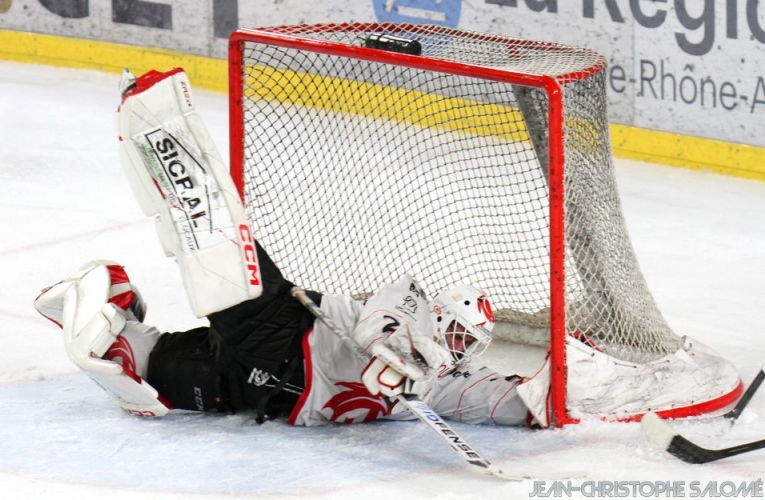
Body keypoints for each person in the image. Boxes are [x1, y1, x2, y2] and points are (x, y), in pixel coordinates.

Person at [33, 67, 541, 428]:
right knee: (217, 240)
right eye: (453, 330)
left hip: (259, 392)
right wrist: (401, 352)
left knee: (146, 368)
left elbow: (511, 402)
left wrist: (562, 398)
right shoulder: (406, 311)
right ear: (438, 312)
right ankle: (157, 121)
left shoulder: (450, 382)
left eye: (464, 343)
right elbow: (386, 318)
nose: (454, 346)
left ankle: (110, 308)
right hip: (283, 338)